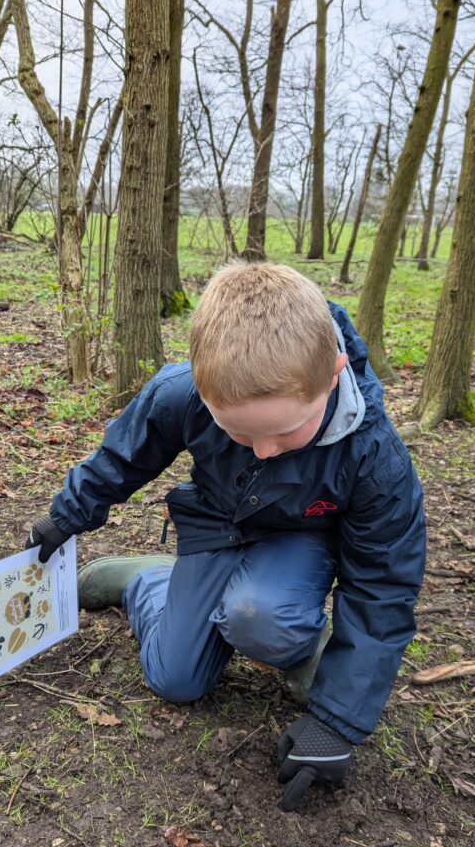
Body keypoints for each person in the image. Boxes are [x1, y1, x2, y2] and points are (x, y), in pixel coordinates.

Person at [25, 261, 425, 811]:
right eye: (238, 432)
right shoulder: (180, 394)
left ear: (333, 373)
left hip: (300, 537)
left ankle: (297, 645)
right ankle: (146, 579)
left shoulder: (374, 457)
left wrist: (337, 721)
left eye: (285, 431)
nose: (261, 449)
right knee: (176, 680)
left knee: (261, 618)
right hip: (215, 526)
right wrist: (67, 516)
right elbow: (122, 458)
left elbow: (383, 585)